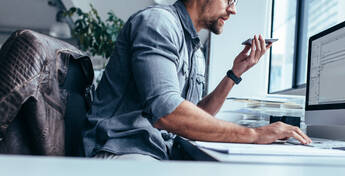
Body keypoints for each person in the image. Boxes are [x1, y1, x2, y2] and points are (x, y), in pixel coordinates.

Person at [83, 0, 312, 160]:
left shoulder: (195, 51)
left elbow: (194, 114)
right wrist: (254, 134)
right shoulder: (159, 24)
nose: (233, 10)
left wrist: (235, 74)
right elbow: (167, 113)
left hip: (156, 150)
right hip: (120, 150)